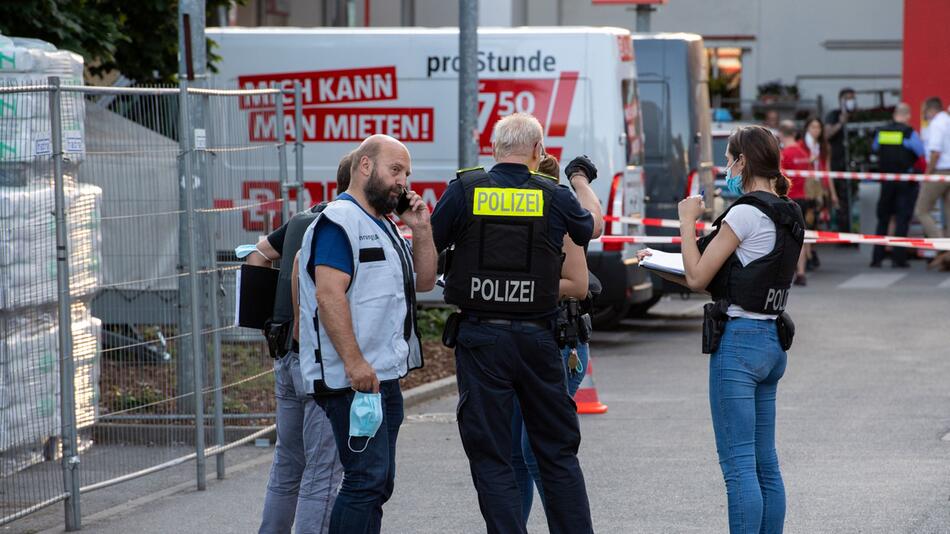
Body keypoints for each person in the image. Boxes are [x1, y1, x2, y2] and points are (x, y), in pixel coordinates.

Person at [431, 113, 600, 534]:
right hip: (538, 341)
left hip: (481, 340)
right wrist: (577, 182)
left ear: (493, 150)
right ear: (539, 152)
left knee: (493, 456)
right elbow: (588, 228)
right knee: (556, 453)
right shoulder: (553, 193)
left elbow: (430, 244)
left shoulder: (465, 189)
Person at [640, 125, 804, 533]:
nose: (727, 167)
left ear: (742, 162)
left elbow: (696, 278)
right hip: (771, 341)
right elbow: (724, 275)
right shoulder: (788, 211)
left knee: (738, 466)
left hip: (740, 347)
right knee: (765, 462)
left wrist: (685, 221)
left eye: (729, 158)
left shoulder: (745, 213)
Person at [296, 134, 437, 534]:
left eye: (406, 173)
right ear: (365, 167)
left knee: (377, 483)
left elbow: (425, 281)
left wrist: (421, 229)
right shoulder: (340, 221)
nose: (403, 181)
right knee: (364, 480)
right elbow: (328, 294)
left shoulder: (386, 225)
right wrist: (354, 362)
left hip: (382, 377)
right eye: (395, 170)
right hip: (353, 380)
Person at [247, 154, 351, 534]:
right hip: (317, 359)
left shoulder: (304, 219)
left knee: (288, 462)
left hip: (285, 355)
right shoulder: (342, 227)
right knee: (323, 473)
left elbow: (259, 255)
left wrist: (265, 320)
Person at [510, 154, 595, 525]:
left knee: (535, 451)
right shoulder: (525, 211)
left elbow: (577, 283)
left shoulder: (557, 211)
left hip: (561, 341)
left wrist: (518, 289)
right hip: (523, 341)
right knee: (515, 451)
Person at [870, 103, 926, 268]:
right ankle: (898, 258)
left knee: (883, 219)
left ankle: (877, 258)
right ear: (907, 116)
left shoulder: (881, 131)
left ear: (894, 115)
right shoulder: (909, 133)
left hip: (886, 181)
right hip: (904, 181)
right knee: (902, 219)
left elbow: (875, 149)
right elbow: (920, 151)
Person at [915, 97, 950, 270]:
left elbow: (935, 152)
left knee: (922, 210)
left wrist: (927, 174)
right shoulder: (948, 120)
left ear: (930, 109)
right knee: (949, 214)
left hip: (939, 171)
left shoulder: (936, 124)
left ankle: (942, 245)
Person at [799, 116, 838, 269]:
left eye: (818, 127)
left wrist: (832, 193)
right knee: (807, 221)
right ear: (807, 128)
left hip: (819, 187)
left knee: (815, 221)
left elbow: (827, 170)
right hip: (806, 187)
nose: (816, 130)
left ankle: (811, 251)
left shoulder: (823, 147)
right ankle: (808, 255)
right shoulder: (801, 146)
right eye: (813, 127)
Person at [778, 120, 811, 285]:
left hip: (789, 198)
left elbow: (779, 178)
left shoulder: (785, 155)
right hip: (803, 197)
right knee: (802, 236)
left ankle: (786, 272)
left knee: (786, 237)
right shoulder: (803, 153)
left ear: (781, 134)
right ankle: (801, 272)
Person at [825, 87, 858, 232]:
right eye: (847, 98)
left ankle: (853, 228)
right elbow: (826, 134)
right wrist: (840, 123)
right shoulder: (834, 115)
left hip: (854, 163)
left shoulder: (858, 116)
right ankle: (841, 229)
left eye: (852, 98)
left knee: (853, 198)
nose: (851, 101)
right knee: (839, 198)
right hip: (837, 162)